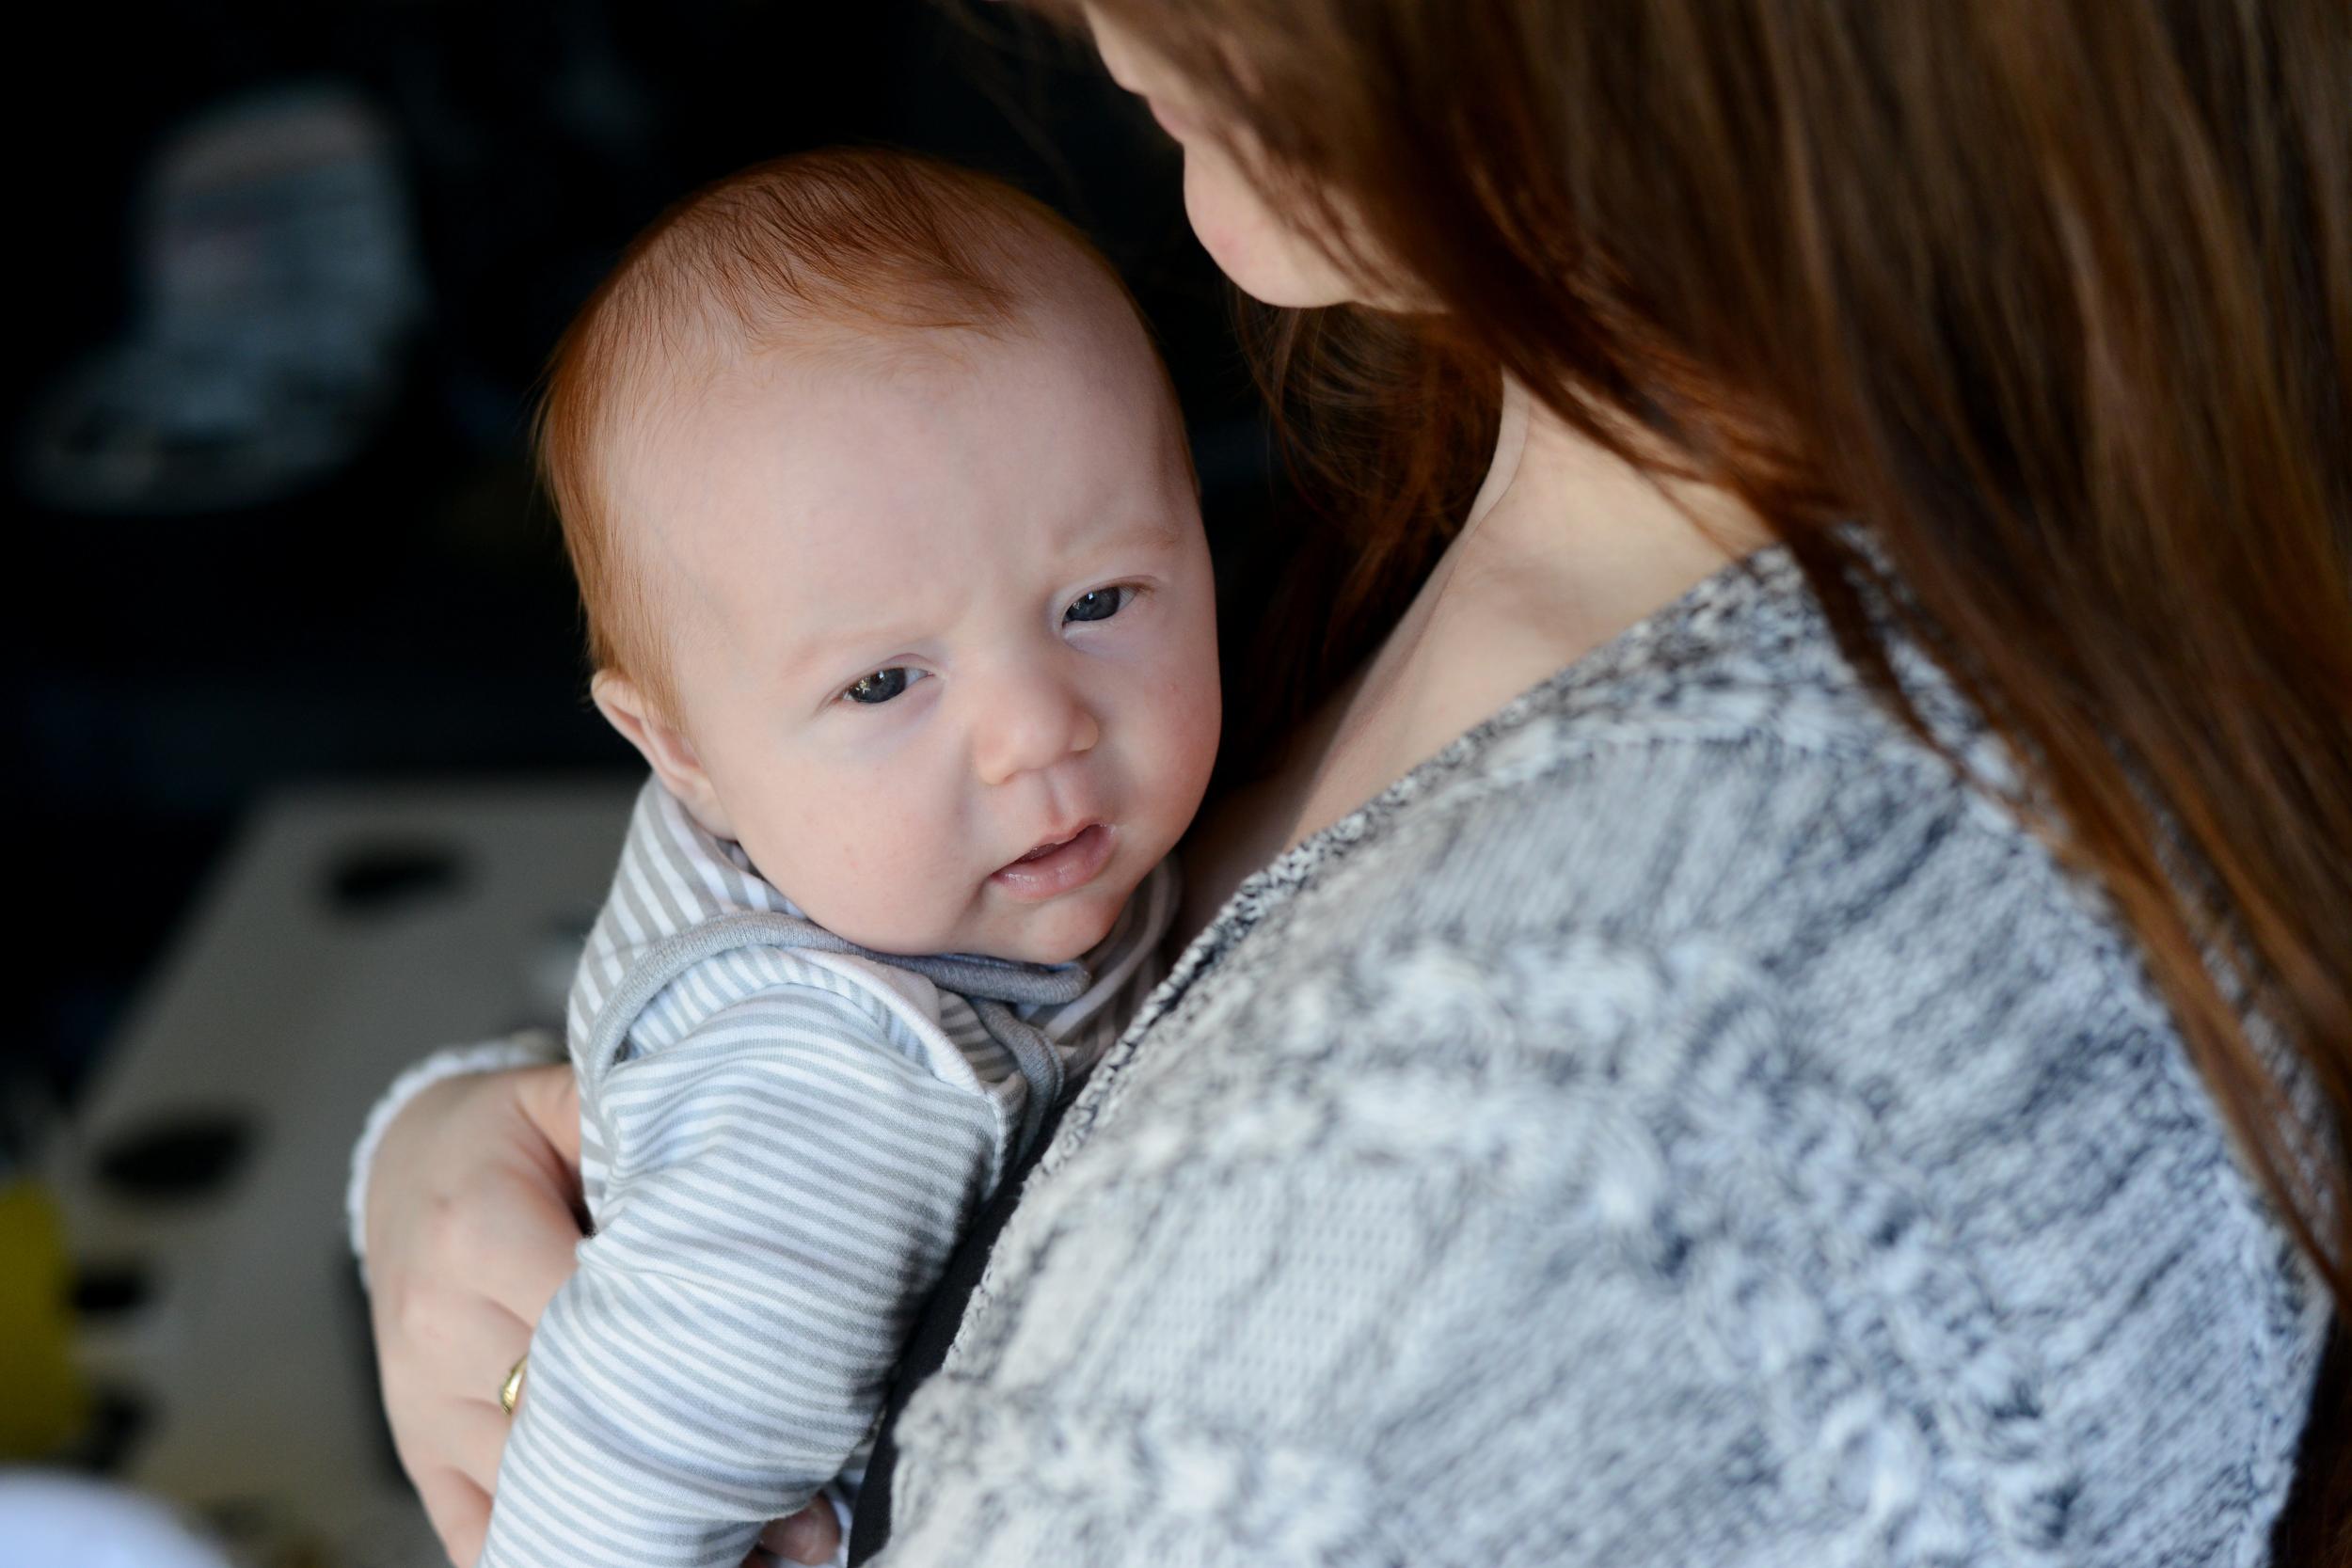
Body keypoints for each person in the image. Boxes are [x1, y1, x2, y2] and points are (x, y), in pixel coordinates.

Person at [357, 3, 2352, 1564]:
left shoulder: (1544, 1151)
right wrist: (465, 1157)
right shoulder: (1518, 495)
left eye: (1100, 601)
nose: (1066, 13)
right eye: (881, 679)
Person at [352, 149, 1219, 1568]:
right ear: (679, 746)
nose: (1035, 732)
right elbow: (613, 1498)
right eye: (884, 686)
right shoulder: (832, 1089)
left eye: (1099, 598)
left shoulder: (860, 850)